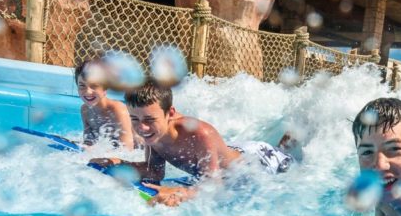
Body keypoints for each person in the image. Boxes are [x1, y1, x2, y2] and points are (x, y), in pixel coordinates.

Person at [92, 81, 292, 206]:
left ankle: (291, 135)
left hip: (257, 161)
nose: (142, 128)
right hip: (226, 153)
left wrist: (180, 193)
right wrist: (119, 164)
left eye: (149, 120)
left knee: (289, 159)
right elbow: (154, 172)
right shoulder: (153, 134)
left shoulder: (199, 132)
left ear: (170, 113)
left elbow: (215, 187)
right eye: (134, 119)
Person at [75, 60, 135, 151]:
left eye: (94, 86)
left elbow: (128, 148)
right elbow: (89, 141)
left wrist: (98, 152)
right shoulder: (85, 110)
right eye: (82, 86)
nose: (88, 91)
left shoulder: (118, 109)